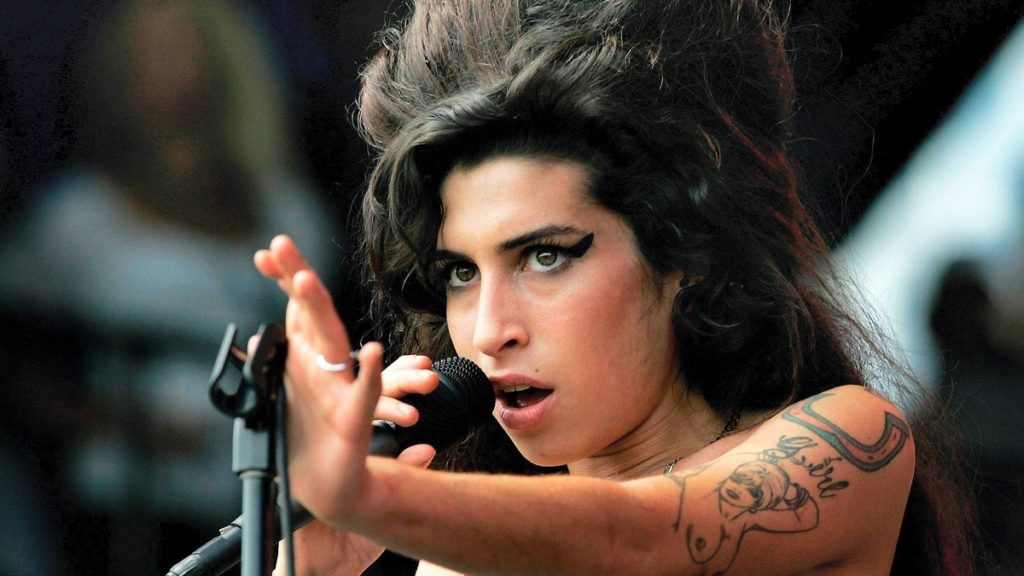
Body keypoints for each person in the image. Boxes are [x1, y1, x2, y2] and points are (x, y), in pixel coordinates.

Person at [254, 0, 976, 574]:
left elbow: (643, 542)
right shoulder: (454, 562)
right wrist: (310, 564)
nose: (489, 331)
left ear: (685, 252)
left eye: (545, 257)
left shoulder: (849, 441)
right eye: (461, 273)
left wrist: (373, 495)